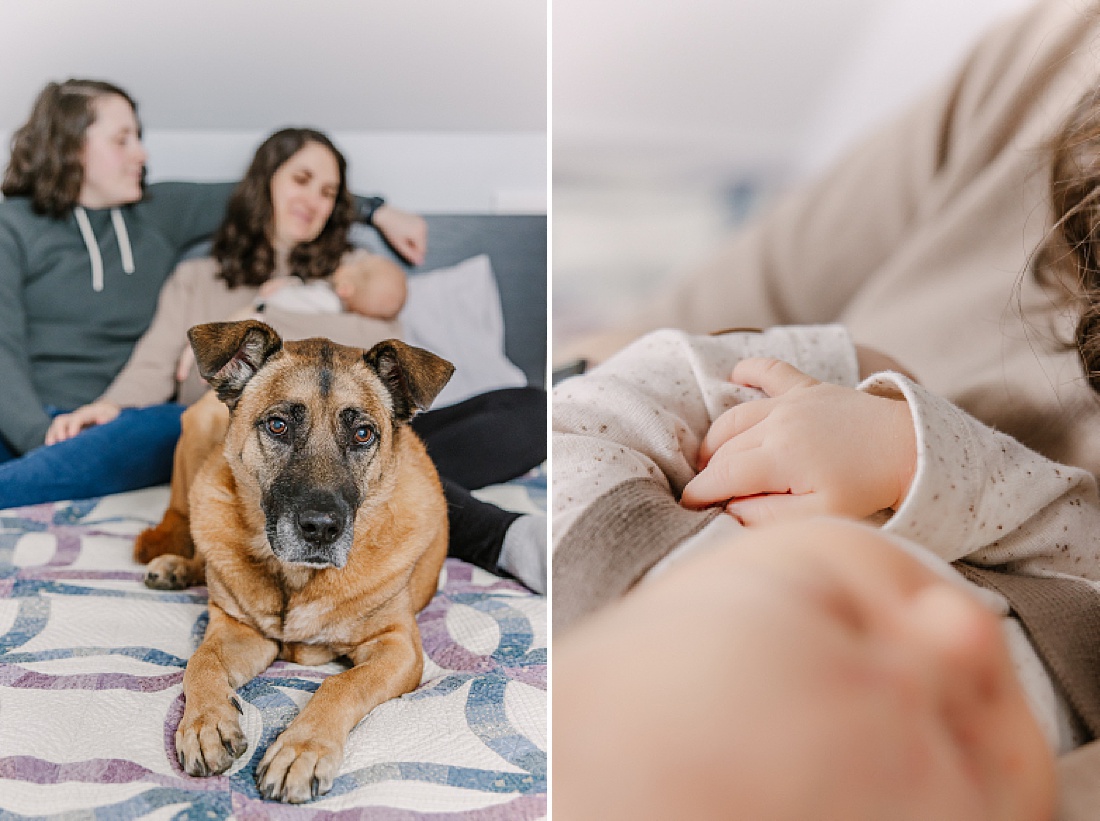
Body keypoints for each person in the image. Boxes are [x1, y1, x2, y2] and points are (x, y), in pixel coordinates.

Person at [553, 0, 1100, 813]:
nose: (961, 638)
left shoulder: (603, 552)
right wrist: (917, 459)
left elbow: (619, 385)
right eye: (951, 737)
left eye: (846, 619)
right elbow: (1079, 548)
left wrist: (851, 376)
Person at [43, 126, 546, 590]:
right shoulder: (198, 279)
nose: (314, 201)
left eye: (328, 193)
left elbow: (374, 357)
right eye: (302, 180)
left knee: (533, 408)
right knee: (367, 466)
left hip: (356, 435)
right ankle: (496, 536)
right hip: (258, 442)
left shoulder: (354, 275)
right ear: (265, 183)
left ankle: (391, 491)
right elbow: (154, 368)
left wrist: (266, 311)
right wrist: (106, 407)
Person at [0, 79, 426, 504]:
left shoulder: (350, 279)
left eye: (139, 138)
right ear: (72, 144)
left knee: (178, 424)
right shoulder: (16, 227)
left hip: (141, 424)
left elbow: (290, 196)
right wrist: (59, 431)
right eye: (122, 139)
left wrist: (376, 210)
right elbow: (150, 357)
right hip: (42, 418)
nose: (142, 154)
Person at [555, 518, 1063, 821]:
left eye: (846, 613)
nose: (964, 627)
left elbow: (641, 393)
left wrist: (881, 414)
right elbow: (1074, 528)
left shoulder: (609, 538)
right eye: (959, 740)